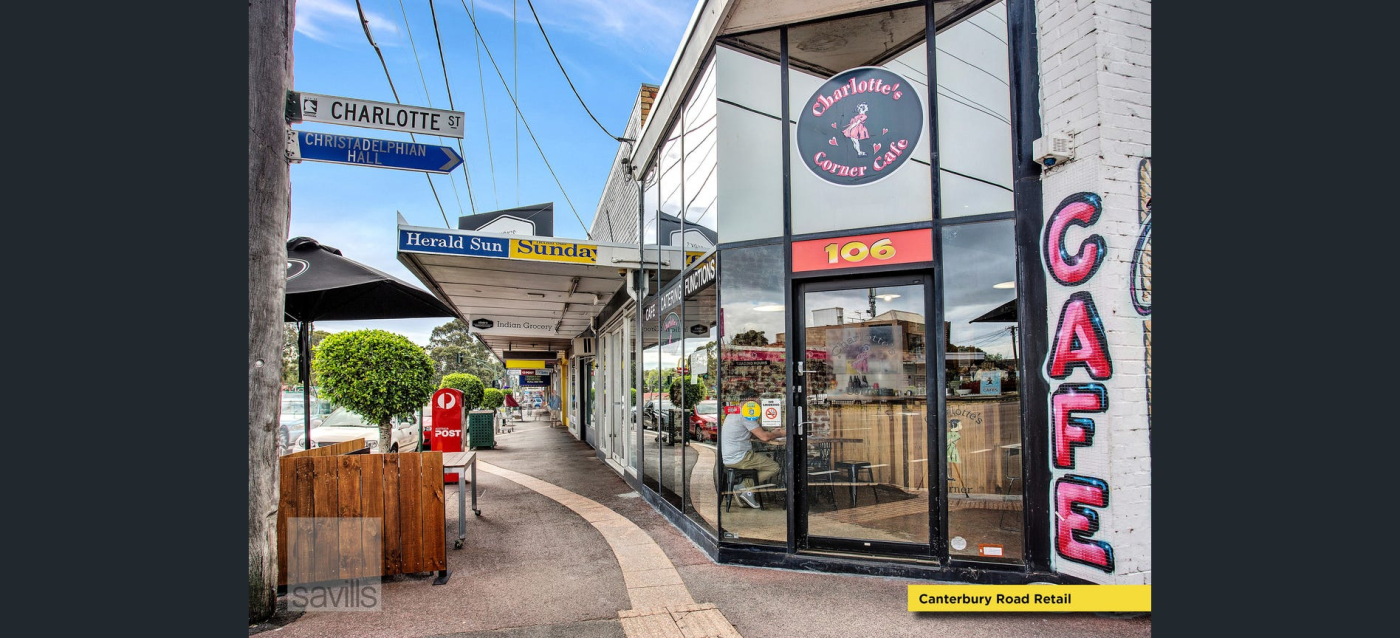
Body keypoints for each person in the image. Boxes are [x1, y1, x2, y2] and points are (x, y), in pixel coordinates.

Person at [720, 389, 786, 508]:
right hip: (740, 457)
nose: (759, 403)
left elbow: (752, 434)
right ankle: (745, 487)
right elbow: (764, 437)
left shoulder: (735, 412)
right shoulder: (745, 414)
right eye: (757, 400)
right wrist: (779, 433)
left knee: (764, 460)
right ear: (750, 400)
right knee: (774, 467)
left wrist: (766, 433)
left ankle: (744, 488)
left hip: (730, 456)